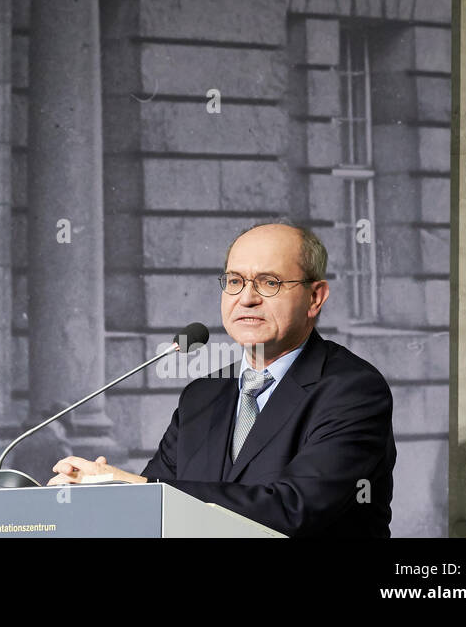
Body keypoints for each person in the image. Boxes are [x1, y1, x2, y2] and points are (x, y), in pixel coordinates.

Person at [47, 222, 396, 537]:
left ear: (315, 297)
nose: (246, 298)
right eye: (234, 281)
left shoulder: (352, 390)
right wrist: (100, 494)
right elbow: (157, 511)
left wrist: (132, 486)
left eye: (269, 283)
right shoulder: (202, 396)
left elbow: (293, 509)